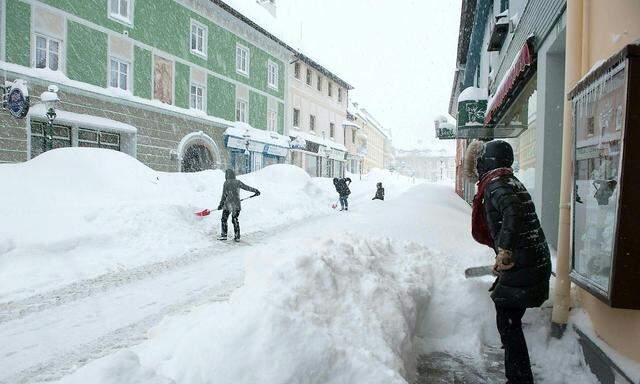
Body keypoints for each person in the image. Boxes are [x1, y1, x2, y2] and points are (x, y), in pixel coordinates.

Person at [464, 139, 551, 384]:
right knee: (508, 317)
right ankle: (519, 376)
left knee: (508, 320)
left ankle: (519, 379)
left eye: (479, 161)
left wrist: (506, 250)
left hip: (524, 263)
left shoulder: (496, 184)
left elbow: (512, 211)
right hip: (531, 260)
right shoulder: (508, 180)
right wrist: (504, 251)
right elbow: (509, 219)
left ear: (486, 161)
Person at [217, 169, 260, 242]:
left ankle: (224, 235)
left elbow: (224, 195)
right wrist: (256, 190)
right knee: (235, 219)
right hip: (236, 204)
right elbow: (247, 187)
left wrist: (221, 205)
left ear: (227, 175)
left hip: (228, 205)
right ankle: (237, 236)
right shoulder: (238, 182)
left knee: (224, 219)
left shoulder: (226, 183)